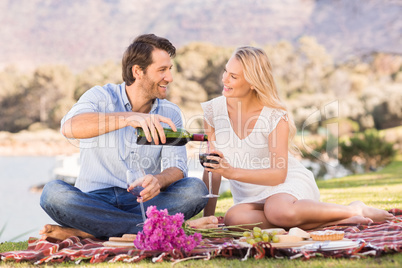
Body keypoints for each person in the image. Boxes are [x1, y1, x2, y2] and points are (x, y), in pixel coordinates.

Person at [200, 46, 395, 230]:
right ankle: (334, 221)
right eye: (226, 71)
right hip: (249, 196)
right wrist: (207, 218)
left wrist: (232, 172)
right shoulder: (212, 111)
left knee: (278, 211)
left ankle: (354, 209)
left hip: (285, 185)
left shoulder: (275, 117)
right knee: (234, 219)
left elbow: (278, 174)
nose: (224, 79)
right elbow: (213, 169)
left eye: (233, 76)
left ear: (252, 83)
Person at [39, 34, 210, 241]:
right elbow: (70, 127)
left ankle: (89, 230)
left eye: (170, 69)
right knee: (53, 194)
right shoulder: (100, 97)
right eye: (162, 70)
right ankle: (158, 229)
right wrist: (128, 118)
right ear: (138, 71)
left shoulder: (170, 113)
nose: (170, 78)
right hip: (94, 200)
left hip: (143, 201)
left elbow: (177, 167)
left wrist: (158, 180)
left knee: (195, 190)